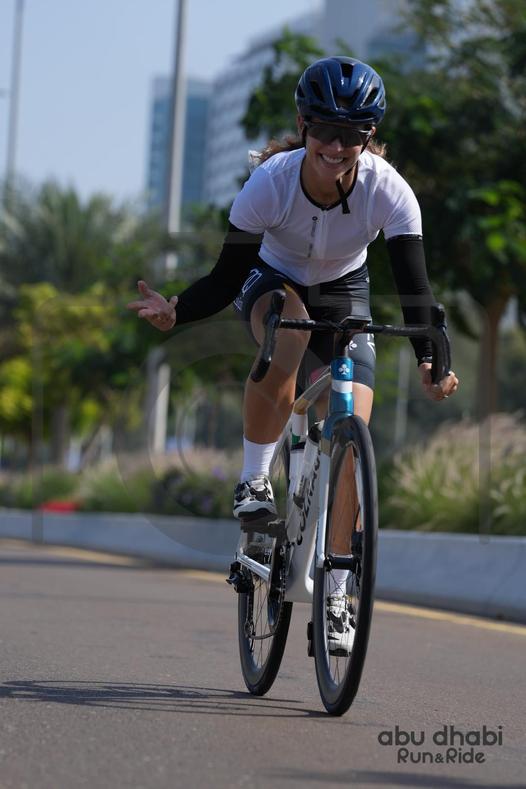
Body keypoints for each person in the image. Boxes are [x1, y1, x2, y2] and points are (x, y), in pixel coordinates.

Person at [128, 55, 459, 521]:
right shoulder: (269, 184)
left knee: (352, 429)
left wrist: (429, 357)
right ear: (303, 126)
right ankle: (254, 478)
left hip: (343, 287)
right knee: (289, 328)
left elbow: (414, 290)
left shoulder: (389, 191)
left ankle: (341, 567)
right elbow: (225, 279)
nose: (336, 146)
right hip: (271, 278)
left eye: (351, 134)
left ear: (368, 136)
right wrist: (177, 311)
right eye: (324, 130)